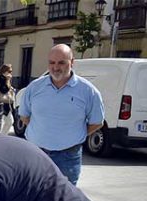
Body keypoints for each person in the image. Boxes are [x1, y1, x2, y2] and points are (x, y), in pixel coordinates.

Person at [19, 44, 104, 185]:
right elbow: (24, 116)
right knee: (32, 199)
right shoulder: (34, 88)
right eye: (51, 62)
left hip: (68, 157)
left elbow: (97, 122)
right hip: (36, 154)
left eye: (61, 63)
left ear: (72, 62)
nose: (56, 67)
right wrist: (44, 131)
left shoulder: (89, 91)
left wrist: (74, 134)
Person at [0, 64, 15, 135]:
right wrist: (8, 80)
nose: (10, 73)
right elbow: (3, 90)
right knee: (3, 122)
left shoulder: (3, 78)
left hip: (5, 104)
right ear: (4, 71)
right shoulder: (0, 78)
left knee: (9, 122)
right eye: (9, 71)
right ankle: (0, 137)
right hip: (1, 104)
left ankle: (2, 136)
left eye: (11, 71)